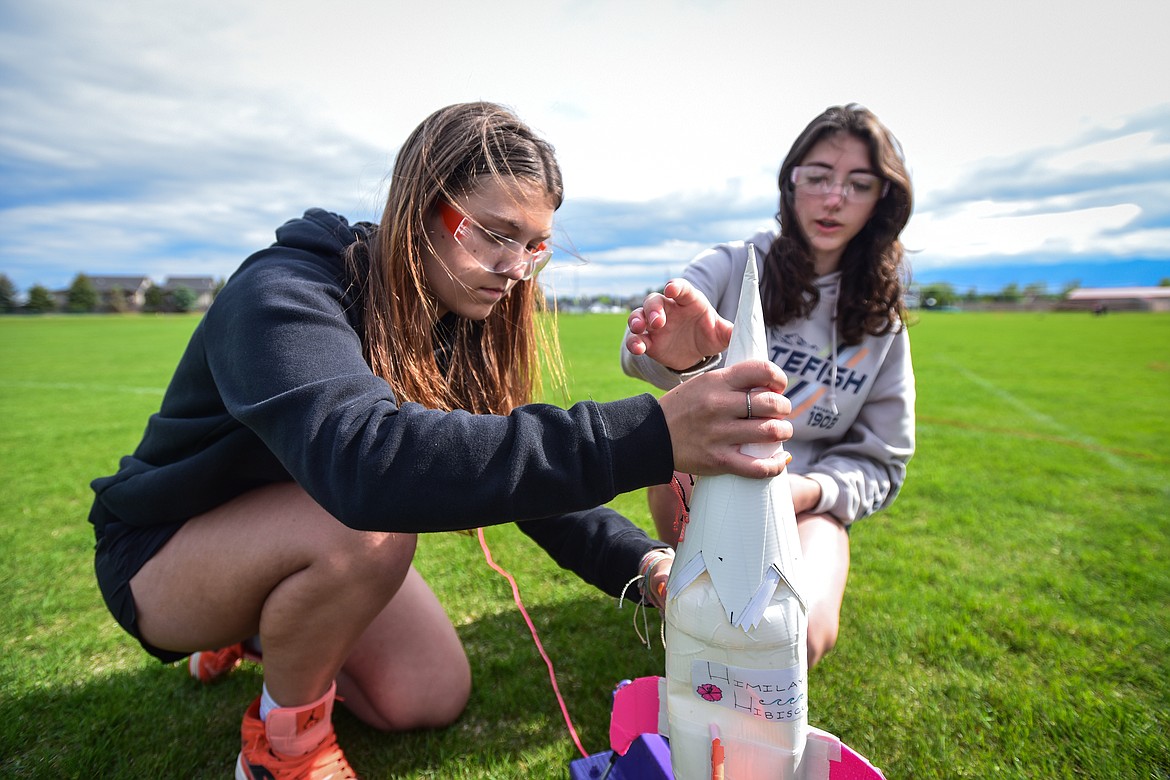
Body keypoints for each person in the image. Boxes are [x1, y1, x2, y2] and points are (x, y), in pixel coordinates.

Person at [88, 102, 794, 779]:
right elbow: (366, 466)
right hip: (160, 555)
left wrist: (644, 564)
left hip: (298, 532)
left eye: (533, 245)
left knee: (426, 693)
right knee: (369, 533)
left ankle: (257, 632)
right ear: (418, 204)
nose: (515, 268)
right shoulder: (283, 291)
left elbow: (527, 479)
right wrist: (653, 432)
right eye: (491, 233)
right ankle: (281, 749)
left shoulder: (453, 319)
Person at [621, 103, 916, 668]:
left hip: (807, 502)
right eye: (819, 177)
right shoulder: (734, 265)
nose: (834, 198)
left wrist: (806, 491)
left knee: (798, 635)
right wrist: (675, 355)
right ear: (791, 182)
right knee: (706, 611)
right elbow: (638, 352)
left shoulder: (881, 321)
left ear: (882, 199)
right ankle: (686, 579)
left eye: (858, 184)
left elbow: (884, 462)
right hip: (709, 475)